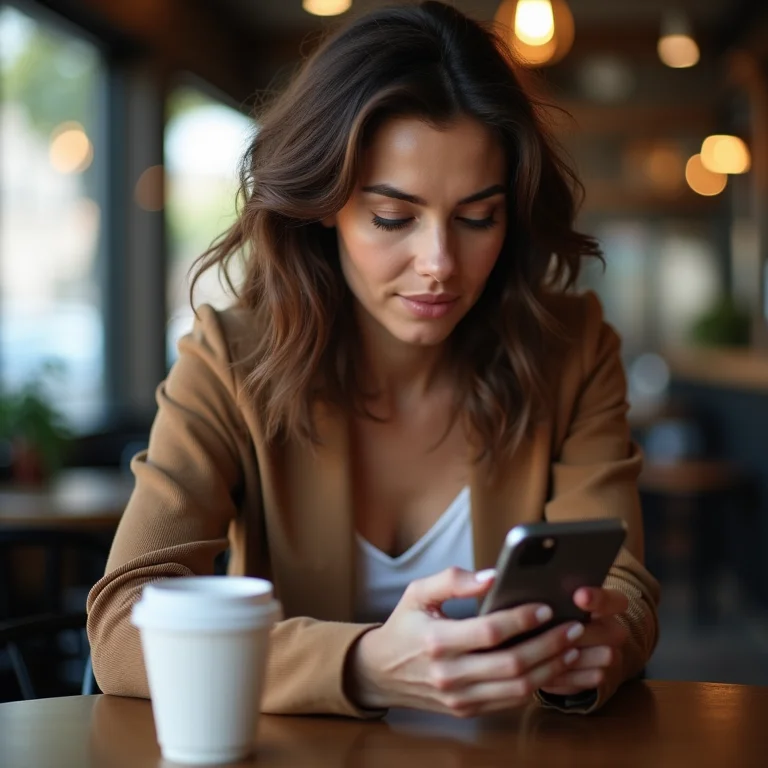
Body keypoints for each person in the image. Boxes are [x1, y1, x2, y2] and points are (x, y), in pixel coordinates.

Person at [87, 0, 659, 719]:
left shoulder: (572, 348)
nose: (440, 264)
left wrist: (600, 643)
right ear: (326, 203)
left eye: (478, 216)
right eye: (393, 218)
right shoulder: (229, 358)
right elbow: (121, 629)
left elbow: (624, 586)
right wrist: (358, 666)